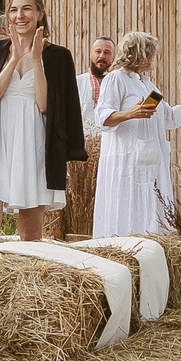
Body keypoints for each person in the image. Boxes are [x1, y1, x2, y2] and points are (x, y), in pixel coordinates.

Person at [0, 0, 85, 243]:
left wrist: (36, 60)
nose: (20, 16)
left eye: (27, 9)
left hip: (35, 141)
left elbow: (45, 105)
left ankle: (28, 270)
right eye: (13, 10)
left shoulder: (59, 56)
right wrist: (14, 59)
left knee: (30, 230)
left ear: (40, 14)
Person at [92, 31, 181, 237]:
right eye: (150, 53)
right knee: (128, 208)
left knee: (151, 211)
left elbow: (169, 117)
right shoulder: (115, 79)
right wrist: (131, 113)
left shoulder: (148, 85)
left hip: (151, 162)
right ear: (140, 54)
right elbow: (103, 117)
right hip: (126, 162)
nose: (153, 58)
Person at [65, 34, 115, 237]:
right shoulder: (76, 83)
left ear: (113, 56)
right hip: (81, 155)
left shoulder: (116, 85)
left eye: (107, 52)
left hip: (110, 152)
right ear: (91, 54)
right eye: (98, 51)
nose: (102, 56)